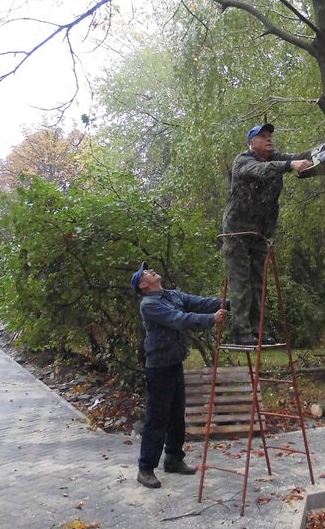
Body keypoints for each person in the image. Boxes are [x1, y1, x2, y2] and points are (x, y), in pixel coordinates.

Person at [131, 262, 228, 489]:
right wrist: (211, 319)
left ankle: (174, 458)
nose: (151, 270)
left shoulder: (171, 295)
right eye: (146, 272)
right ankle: (145, 469)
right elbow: (179, 319)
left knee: (176, 415)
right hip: (159, 367)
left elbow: (200, 302)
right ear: (143, 284)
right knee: (157, 418)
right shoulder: (149, 304)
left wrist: (230, 304)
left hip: (174, 363)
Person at [221, 122, 312, 346]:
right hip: (237, 232)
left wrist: (322, 150)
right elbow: (263, 171)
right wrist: (291, 165)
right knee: (241, 281)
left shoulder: (275, 158)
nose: (269, 138)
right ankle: (241, 332)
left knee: (259, 283)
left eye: (270, 135)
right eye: (262, 136)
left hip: (259, 233)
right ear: (252, 143)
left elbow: (299, 156)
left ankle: (257, 330)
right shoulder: (244, 161)